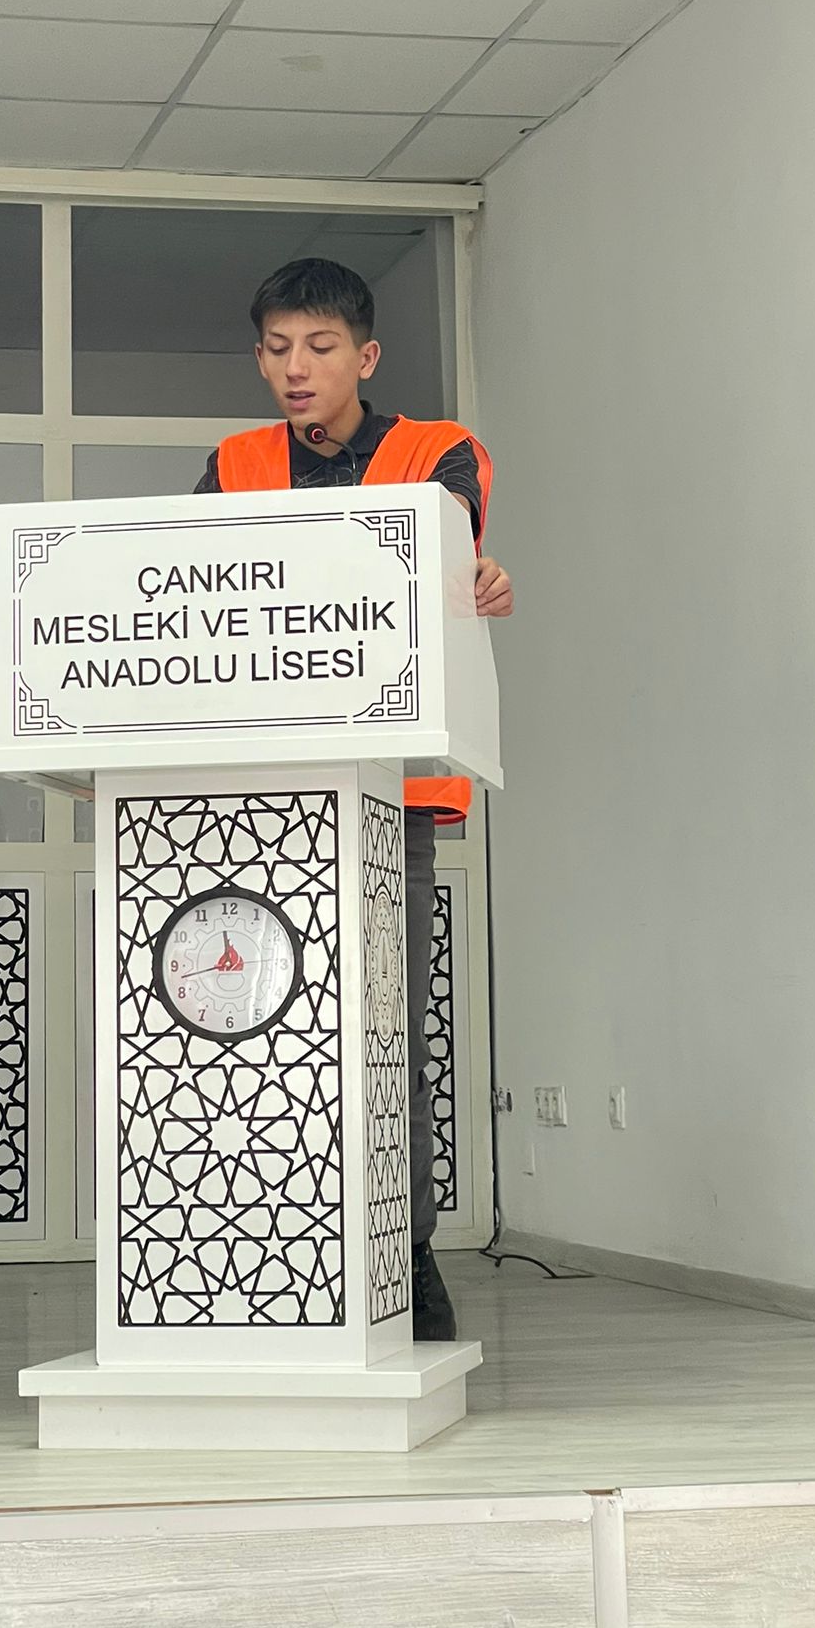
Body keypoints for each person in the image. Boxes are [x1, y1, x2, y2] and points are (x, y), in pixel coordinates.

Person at [196, 257, 513, 1342]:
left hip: (391, 795)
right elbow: (195, 588)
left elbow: (439, 551)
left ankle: (402, 1252)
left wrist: (478, 576)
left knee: (383, 1032)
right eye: (278, 348)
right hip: (260, 798)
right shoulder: (234, 463)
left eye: (320, 348)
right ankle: (275, 1253)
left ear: (366, 357)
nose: (298, 368)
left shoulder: (440, 450)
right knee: (264, 1035)